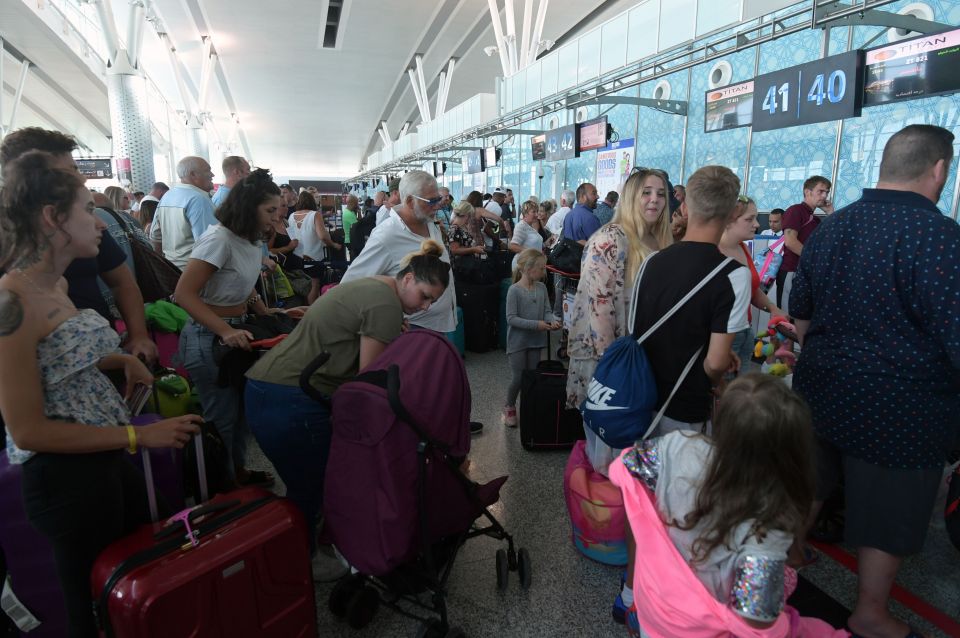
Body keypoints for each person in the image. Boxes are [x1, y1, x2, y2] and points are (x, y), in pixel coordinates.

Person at [0, 151, 201, 637]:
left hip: (101, 461)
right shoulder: (13, 302)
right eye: (88, 211)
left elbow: (57, 360)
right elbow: (27, 431)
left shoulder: (54, 284)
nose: (102, 225)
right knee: (90, 604)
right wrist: (136, 437)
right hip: (63, 480)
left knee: (124, 580)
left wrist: (121, 358)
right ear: (53, 218)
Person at [791, 124, 960, 638]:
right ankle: (869, 613)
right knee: (889, 509)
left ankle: (791, 554)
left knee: (810, 480)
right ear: (939, 171)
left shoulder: (832, 228)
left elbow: (800, 319)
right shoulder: (941, 238)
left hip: (820, 387)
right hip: (901, 408)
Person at [245, 240, 449, 578]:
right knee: (312, 484)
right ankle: (306, 558)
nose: (425, 307)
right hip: (292, 397)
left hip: (269, 387)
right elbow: (367, 384)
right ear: (409, 278)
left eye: (433, 302)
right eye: (425, 296)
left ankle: (307, 546)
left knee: (305, 482)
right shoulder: (386, 305)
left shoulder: (374, 285)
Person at [610, 374, 841, 637]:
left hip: (654, 605)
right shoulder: (771, 520)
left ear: (721, 417)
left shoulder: (679, 444)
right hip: (700, 629)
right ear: (794, 449)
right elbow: (756, 618)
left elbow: (627, 472)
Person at [0, 127, 157, 364]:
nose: (81, 178)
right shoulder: (14, 300)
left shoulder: (79, 231)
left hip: (94, 357)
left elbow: (122, 281)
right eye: (68, 171)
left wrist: (138, 336)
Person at [174, 168, 284, 487]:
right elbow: (184, 293)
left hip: (234, 334)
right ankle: (220, 489)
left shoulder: (248, 241)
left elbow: (240, 283)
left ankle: (235, 473)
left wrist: (267, 311)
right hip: (209, 339)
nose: (275, 217)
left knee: (240, 416)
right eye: (270, 210)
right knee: (222, 419)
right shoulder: (218, 239)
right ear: (248, 207)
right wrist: (224, 330)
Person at [566, 168, 674, 475]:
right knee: (609, 456)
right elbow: (599, 309)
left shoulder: (658, 239)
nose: (655, 200)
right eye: (647, 193)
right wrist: (614, 371)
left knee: (635, 450)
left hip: (642, 358)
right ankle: (608, 516)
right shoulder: (611, 238)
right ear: (630, 197)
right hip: (612, 362)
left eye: (661, 194)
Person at [341, 171, 457, 333]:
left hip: (437, 325)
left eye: (438, 199)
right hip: (411, 330)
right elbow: (350, 285)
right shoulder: (387, 236)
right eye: (432, 201)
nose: (438, 205)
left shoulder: (428, 222)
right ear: (410, 201)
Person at [717, 196, 784, 370]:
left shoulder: (742, 247)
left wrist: (772, 308)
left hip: (745, 331)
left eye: (755, 218)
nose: (757, 224)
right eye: (749, 219)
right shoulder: (712, 251)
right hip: (721, 336)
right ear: (728, 221)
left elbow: (751, 289)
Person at [501, 250, 560, 427]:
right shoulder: (514, 290)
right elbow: (511, 319)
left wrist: (553, 321)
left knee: (532, 376)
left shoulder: (541, 288)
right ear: (528, 268)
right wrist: (537, 324)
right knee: (518, 377)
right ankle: (509, 405)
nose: (544, 272)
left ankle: (528, 406)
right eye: (541, 268)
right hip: (518, 343)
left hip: (537, 341)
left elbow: (547, 312)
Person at [150, 156, 218, 269]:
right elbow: (209, 245)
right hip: (196, 274)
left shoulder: (167, 196)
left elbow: (155, 235)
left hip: (172, 270)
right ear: (193, 174)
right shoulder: (198, 199)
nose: (212, 174)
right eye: (208, 170)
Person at [777, 176, 832, 315]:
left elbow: (833, 239)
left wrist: (830, 213)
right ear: (807, 192)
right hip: (791, 271)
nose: (824, 195)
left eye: (826, 192)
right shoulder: (796, 210)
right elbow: (790, 241)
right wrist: (813, 259)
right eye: (820, 191)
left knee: (800, 318)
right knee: (785, 319)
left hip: (806, 274)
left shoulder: (815, 219)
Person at [289, 191, 342, 303]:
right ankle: (312, 312)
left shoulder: (291, 216)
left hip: (297, 256)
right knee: (314, 285)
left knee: (302, 285)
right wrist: (334, 245)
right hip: (314, 257)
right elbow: (323, 236)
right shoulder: (315, 214)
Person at [508, 201, 543, 270]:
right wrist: (532, 253)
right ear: (525, 213)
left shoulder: (530, 227)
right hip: (523, 266)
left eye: (537, 211)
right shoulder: (521, 226)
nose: (536, 215)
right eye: (533, 212)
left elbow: (532, 244)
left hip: (531, 265)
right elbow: (513, 246)